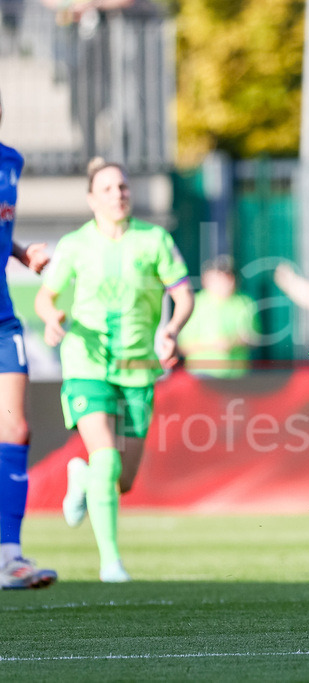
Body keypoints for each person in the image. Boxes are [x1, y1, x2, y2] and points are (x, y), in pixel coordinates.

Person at [34, 157, 194, 583]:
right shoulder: (74, 245)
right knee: (105, 456)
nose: (118, 194)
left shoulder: (155, 239)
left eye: (122, 187)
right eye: (107, 188)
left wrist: (172, 330)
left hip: (139, 370)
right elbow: (45, 298)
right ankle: (111, 563)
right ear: (91, 199)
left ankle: (80, 476)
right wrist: (51, 317)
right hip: (86, 364)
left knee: (121, 481)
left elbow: (183, 295)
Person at [0, 88, 58, 590]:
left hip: (3, 320)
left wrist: (21, 254)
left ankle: (9, 557)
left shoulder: (10, 161)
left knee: (16, 431)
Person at [178, 254, 259, 378]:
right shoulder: (194, 304)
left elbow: (255, 338)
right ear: (206, 279)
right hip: (203, 375)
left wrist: (235, 341)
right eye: (219, 277)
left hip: (237, 375)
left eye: (228, 276)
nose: (226, 282)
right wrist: (213, 345)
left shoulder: (245, 302)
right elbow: (182, 346)